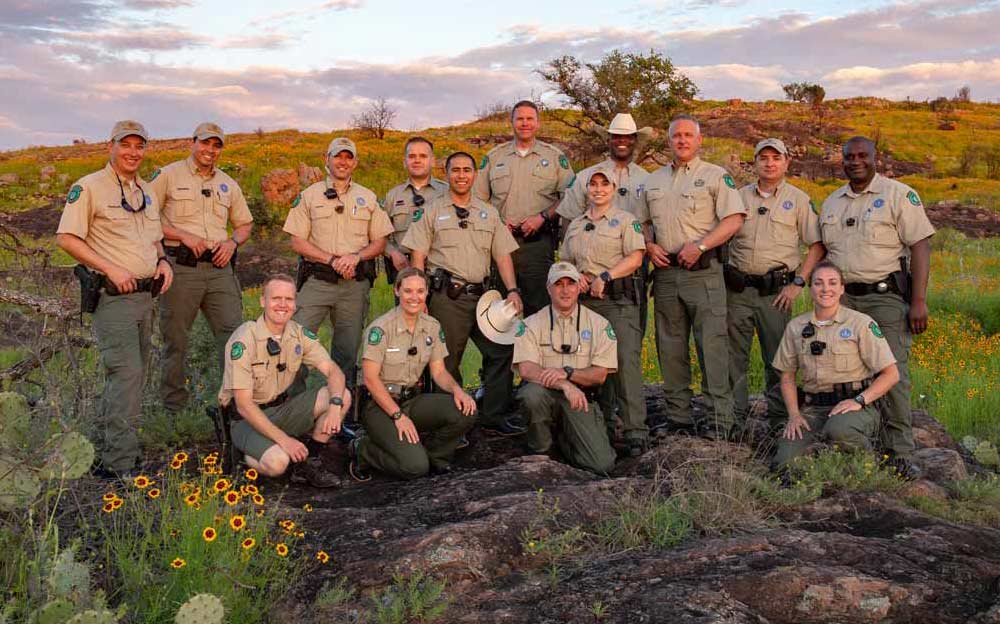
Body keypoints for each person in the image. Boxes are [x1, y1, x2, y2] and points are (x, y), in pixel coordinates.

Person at [56, 120, 174, 478]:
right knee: (126, 374)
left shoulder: (146, 191)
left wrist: (164, 260)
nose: (133, 152)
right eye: (126, 145)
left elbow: (154, 236)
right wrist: (110, 268)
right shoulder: (89, 187)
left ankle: (118, 450)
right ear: (112, 145)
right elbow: (67, 238)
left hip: (144, 297)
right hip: (114, 297)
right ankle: (119, 465)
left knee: (135, 377)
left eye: (140, 146)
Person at [819, 136, 935, 478]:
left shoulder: (899, 195)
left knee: (892, 372)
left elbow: (921, 247)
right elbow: (825, 252)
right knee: (848, 372)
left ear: (875, 158)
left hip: (884, 298)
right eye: (848, 156)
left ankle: (899, 451)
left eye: (861, 155)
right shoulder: (832, 202)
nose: (855, 161)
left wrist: (918, 300)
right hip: (844, 301)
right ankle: (858, 440)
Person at [637, 114, 747, 439]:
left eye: (688, 135)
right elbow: (641, 222)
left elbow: (734, 219)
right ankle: (679, 419)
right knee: (670, 349)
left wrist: (701, 245)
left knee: (711, 347)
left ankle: (719, 422)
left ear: (699, 140)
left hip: (703, 274)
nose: (682, 140)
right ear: (669, 141)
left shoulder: (715, 176)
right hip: (667, 274)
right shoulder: (653, 181)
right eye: (676, 136)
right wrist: (648, 245)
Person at [401, 151, 525, 435]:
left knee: (501, 350)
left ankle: (493, 415)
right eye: (455, 170)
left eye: (466, 170)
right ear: (446, 174)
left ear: (474, 175)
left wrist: (513, 290)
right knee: (447, 360)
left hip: (483, 298)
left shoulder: (488, 212)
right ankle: (453, 421)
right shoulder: (431, 210)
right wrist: (419, 298)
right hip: (447, 297)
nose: (461, 175)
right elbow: (418, 256)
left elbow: (502, 255)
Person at [150, 122, 253, 412]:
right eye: (205, 143)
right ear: (192, 142)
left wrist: (233, 242)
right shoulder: (168, 175)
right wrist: (183, 235)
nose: (210, 150)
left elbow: (244, 223)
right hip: (181, 268)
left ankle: (234, 405)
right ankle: (174, 410)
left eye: (216, 145)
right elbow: (146, 217)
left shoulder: (227, 184)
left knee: (234, 336)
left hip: (220, 270)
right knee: (176, 340)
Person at [726, 138, 825, 434]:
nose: (769, 163)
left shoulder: (798, 199)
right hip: (738, 290)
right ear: (754, 162)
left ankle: (781, 423)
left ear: (786, 162)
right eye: (764, 158)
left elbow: (817, 245)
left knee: (779, 361)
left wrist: (798, 283)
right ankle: (733, 423)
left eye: (776, 158)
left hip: (776, 294)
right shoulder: (737, 197)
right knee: (734, 360)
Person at [283, 137, 393, 392]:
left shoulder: (367, 197)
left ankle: (340, 406)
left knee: (347, 350)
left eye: (348, 157)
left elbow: (380, 241)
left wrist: (356, 257)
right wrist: (331, 259)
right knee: (296, 340)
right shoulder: (309, 196)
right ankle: (293, 402)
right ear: (327, 159)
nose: (343, 162)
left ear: (355, 163)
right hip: (318, 282)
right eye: (338, 156)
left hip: (354, 285)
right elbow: (297, 242)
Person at [219, 274, 351, 487]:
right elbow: (243, 405)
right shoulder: (244, 340)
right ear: (263, 301)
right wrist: (285, 441)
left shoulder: (298, 334)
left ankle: (310, 461)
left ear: (295, 304)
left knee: (342, 395)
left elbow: (333, 371)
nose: (282, 305)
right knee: (278, 462)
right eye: (276, 298)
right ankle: (246, 456)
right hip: (247, 420)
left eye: (288, 299)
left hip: (282, 410)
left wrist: (335, 407)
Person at [348, 268, 477, 481]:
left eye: (420, 291)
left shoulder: (432, 326)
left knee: (466, 410)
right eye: (408, 291)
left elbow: (439, 371)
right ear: (397, 291)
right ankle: (363, 450)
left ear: (427, 292)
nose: (414, 297)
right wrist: (397, 416)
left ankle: (436, 458)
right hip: (380, 406)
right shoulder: (381, 329)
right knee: (414, 467)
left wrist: (457, 391)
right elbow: (370, 380)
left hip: (413, 400)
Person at [772, 261, 899, 469]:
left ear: (841, 288)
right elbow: (787, 376)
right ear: (810, 288)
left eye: (832, 283)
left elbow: (891, 374)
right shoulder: (796, 327)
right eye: (818, 283)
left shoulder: (860, 323)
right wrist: (794, 415)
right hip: (814, 408)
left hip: (855, 405)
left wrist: (859, 400)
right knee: (784, 461)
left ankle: (871, 462)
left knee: (839, 430)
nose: (825, 289)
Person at [558, 170, 647, 455]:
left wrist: (606, 276)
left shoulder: (626, 221)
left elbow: (635, 257)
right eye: (592, 185)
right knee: (593, 365)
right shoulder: (575, 225)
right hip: (586, 305)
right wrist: (576, 275)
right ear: (586, 189)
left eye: (604, 184)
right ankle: (604, 426)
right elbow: (566, 261)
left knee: (624, 363)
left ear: (614, 188)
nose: (598, 189)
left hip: (617, 302)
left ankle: (635, 431)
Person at [513, 262, 618, 474]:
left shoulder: (599, 324)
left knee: (601, 465)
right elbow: (526, 370)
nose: (565, 290)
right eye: (558, 284)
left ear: (580, 286)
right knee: (531, 395)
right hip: (546, 393)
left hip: (580, 399)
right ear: (548, 288)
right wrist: (564, 384)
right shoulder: (530, 324)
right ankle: (541, 450)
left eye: (570, 283)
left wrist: (570, 374)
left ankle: (566, 444)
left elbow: (600, 375)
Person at [474, 100, 575, 316]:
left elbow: (570, 197)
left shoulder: (555, 157)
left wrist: (543, 217)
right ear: (511, 122)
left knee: (538, 311)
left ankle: (534, 350)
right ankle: (502, 352)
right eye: (520, 118)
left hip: (538, 244)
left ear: (538, 123)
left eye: (530, 118)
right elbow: (478, 200)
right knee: (500, 312)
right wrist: (498, 222)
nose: (525, 123)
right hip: (500, 246)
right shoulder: (494, 157)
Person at [556, 113, 652, 222]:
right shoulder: (584, 177)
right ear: (608, 140)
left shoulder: (648, 180)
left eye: (628, 136)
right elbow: (568, 218)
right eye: (616, 136)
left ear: (635, 141)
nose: (622, 140)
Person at [381, 137, 449, 287]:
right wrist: (393, 253)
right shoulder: (393, 196)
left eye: (423, 156)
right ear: (404, 162)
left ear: (432, 161)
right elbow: (379, 235)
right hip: (406, 271)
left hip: (442, 272)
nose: (417, 160)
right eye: (412, 156)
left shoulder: (447, 192)